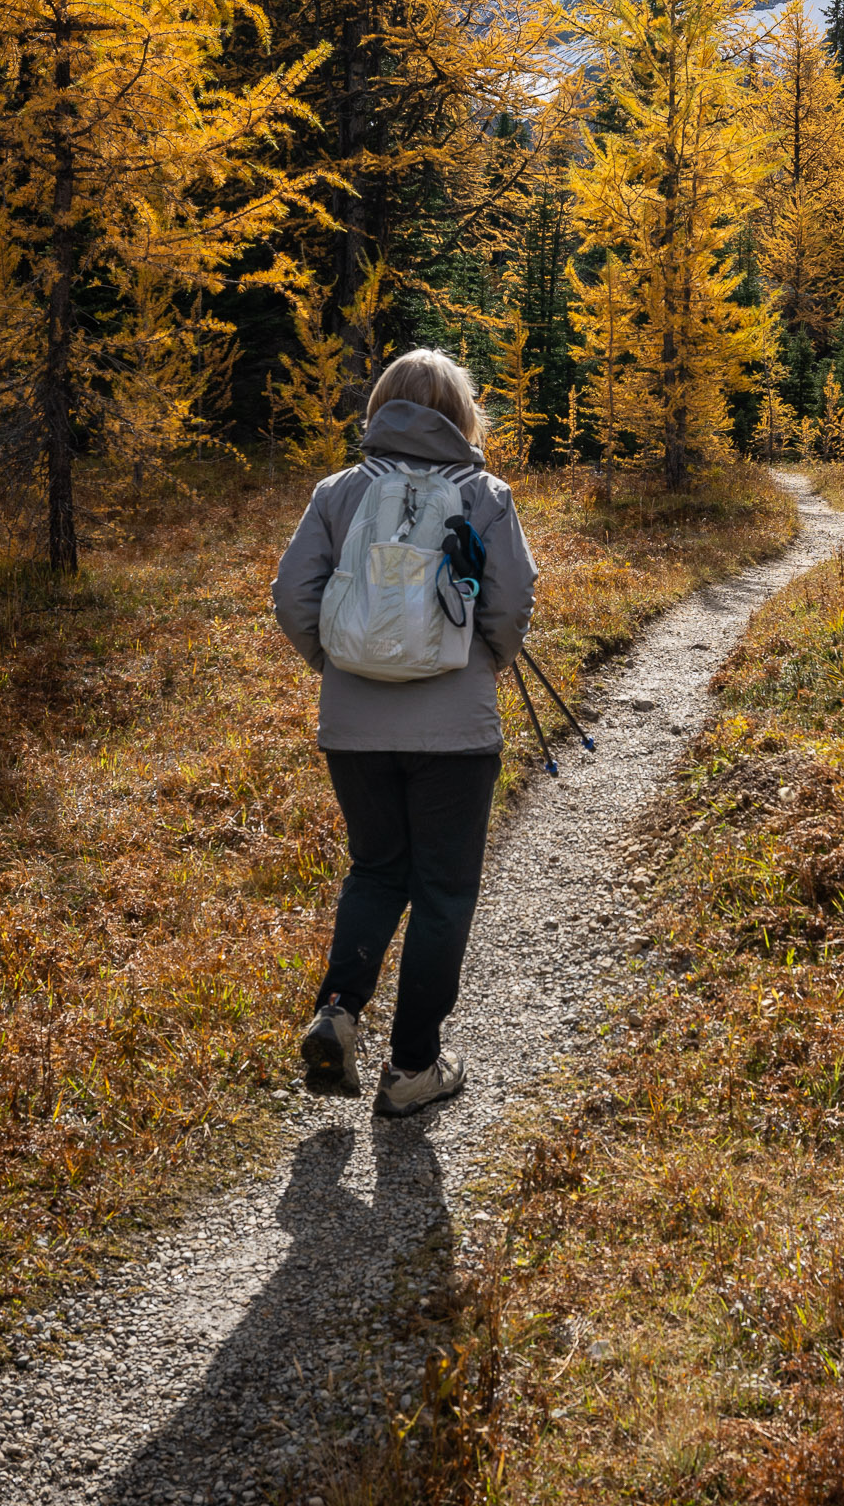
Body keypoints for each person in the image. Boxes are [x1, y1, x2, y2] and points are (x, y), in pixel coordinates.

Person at [271, 348, 536, 1117]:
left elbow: (293, 593)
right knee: (444, 892)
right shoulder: (484, 494)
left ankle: (340, 1011)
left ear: (382, 406)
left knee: (376, 871)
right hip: (454, 730)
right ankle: (414, 1066)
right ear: (462, 413)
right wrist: (483, 660)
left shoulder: (338, 491)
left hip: (352, 727)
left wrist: (334, 661)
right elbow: (511, 601)